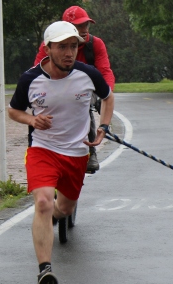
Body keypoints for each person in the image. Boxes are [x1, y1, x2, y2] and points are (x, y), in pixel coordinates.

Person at [8, 21, 115, 284]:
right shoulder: (30, 79)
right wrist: (32, 119)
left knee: (64, 208)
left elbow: (108, 97)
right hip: (42, 150)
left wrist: (103, 127)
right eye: (63, 47)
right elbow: (13, 111)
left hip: (76, 154)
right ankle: (45, 270)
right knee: (43, 201)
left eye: (73, 46)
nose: (69, 53)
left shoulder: (87, 74)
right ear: (49, 49)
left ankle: (54, 217)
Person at [34, 5, 115, 173]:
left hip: (86, 87)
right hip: (55, 86)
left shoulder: (95, 44)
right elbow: (37, 71)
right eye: (79, 26)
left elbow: (105, 71)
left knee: (84, 101)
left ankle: (91, 152)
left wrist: (104, 95)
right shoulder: (49, 45)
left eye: (86, 25)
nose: (84, 29)